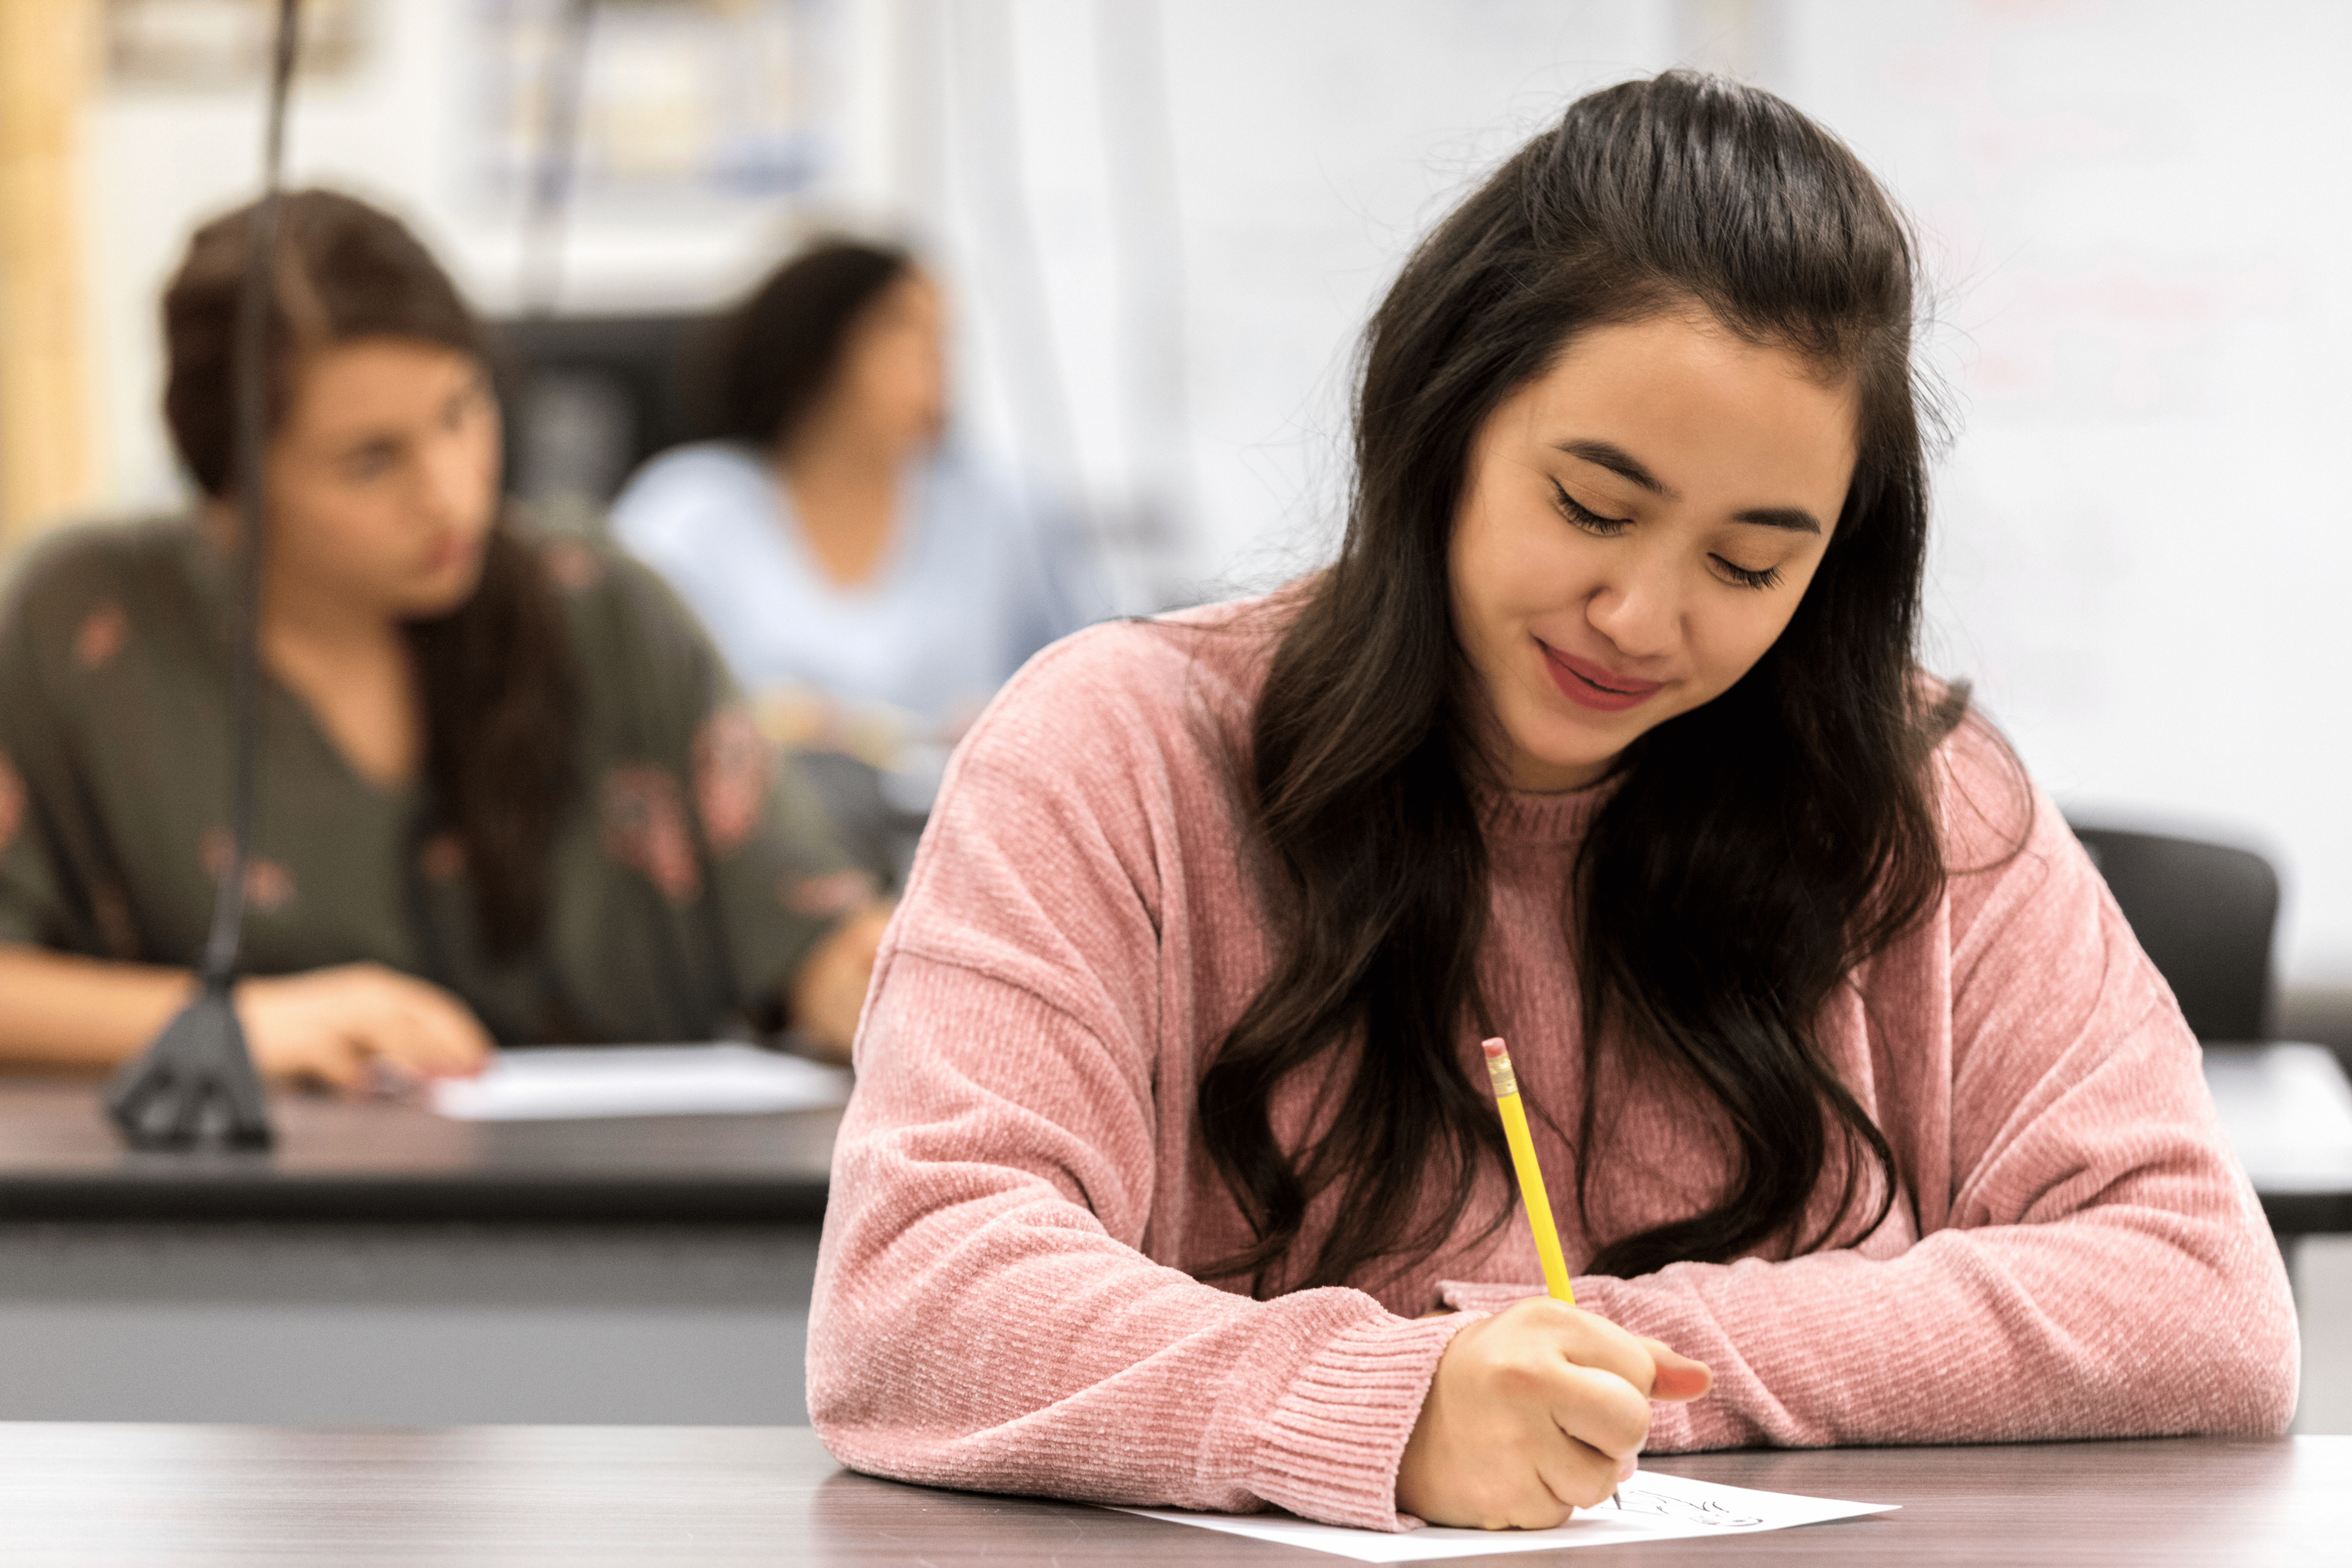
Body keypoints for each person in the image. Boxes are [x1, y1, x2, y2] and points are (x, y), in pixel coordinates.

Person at [806, 74, 2298, 1533]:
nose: (1643, 617)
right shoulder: (1115, 752)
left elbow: (2199, 1292)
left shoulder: (1915, 797)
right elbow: (916, 1295)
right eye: (1593, 506)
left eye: (1749, 564)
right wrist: (1392, 1403)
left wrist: (1597, 1367)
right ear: (1445, 424)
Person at [0, 190, 889, 1087]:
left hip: (632, 1209)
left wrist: (866, 975)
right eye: (372, 460)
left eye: (464, 412)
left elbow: (807, 931)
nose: (452, 494)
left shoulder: (599, 607)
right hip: (212, 1225)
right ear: (228, 484)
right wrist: (233, 1023)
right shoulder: (80, 624)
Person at [608, 239, 1103, 878]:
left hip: (967, 867)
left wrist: (1014, 728)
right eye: (906, 331)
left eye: (944, 337)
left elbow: (1096, 693)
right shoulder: (686, 515)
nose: (938, 362)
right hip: (749, 880)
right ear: (820, 348)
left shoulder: (1005, 513)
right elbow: (620, 706)